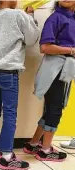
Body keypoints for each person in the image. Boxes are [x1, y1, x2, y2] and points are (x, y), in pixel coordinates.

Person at [0, 1, 40, 170]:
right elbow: (32, 39)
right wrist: (31, 17)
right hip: (8, 72)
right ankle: (6, 156)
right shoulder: (19, 15)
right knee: (10, 114)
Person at [23, 0, 75, 161]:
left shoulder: (71, 18)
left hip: (66, 67)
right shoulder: (55, 18)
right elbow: (45, 47)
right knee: (55, 108)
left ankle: (32, 144)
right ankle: (45, 150)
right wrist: (72, 50)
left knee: (52, 107)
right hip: (55, 68)